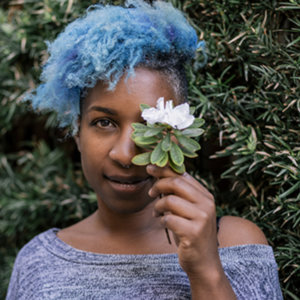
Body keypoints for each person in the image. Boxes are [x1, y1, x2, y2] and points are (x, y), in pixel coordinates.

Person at [6, 1, 283, 299]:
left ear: (179, 131)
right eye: (104, 122)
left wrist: (206, 269)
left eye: (150, 126)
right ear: (76, 131)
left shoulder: (235, 245)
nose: (125, 155)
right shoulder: (38, 262)